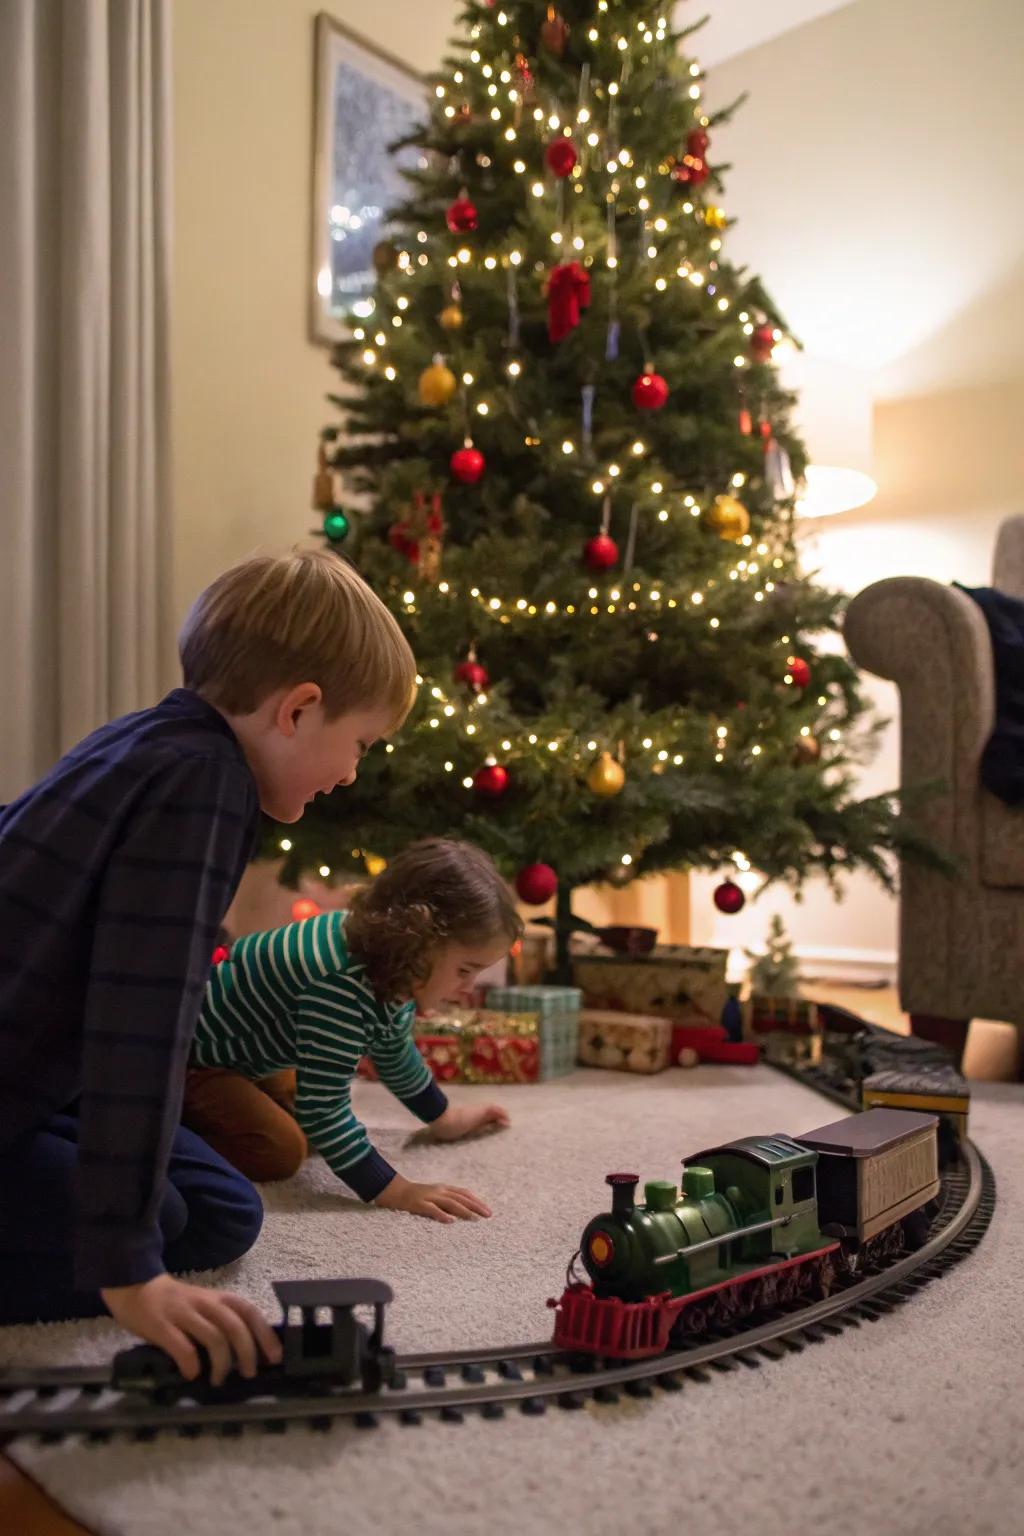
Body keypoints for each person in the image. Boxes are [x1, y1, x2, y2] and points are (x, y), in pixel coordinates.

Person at [0, 549, 416, 1385]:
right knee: (160, 1233)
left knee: (219, 1213)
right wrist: (126, 1269)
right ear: (299, 709)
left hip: (38, 1080)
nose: (353, 773)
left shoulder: (150, 738)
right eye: (362, 743)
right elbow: (140, 1024)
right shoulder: (206, 786)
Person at [183, 838, 522, 1222]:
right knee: (281, 1148)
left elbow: (393, 1049)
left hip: (252, 1047)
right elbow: (323, 1111)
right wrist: (397, 1190)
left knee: (307, 1111)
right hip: (191, 1057)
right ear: (420, 937)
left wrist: (442, 1117)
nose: (469, 987)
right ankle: (170, 1135)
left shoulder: (389, 958)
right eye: (464, 970)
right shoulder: (339, 981)